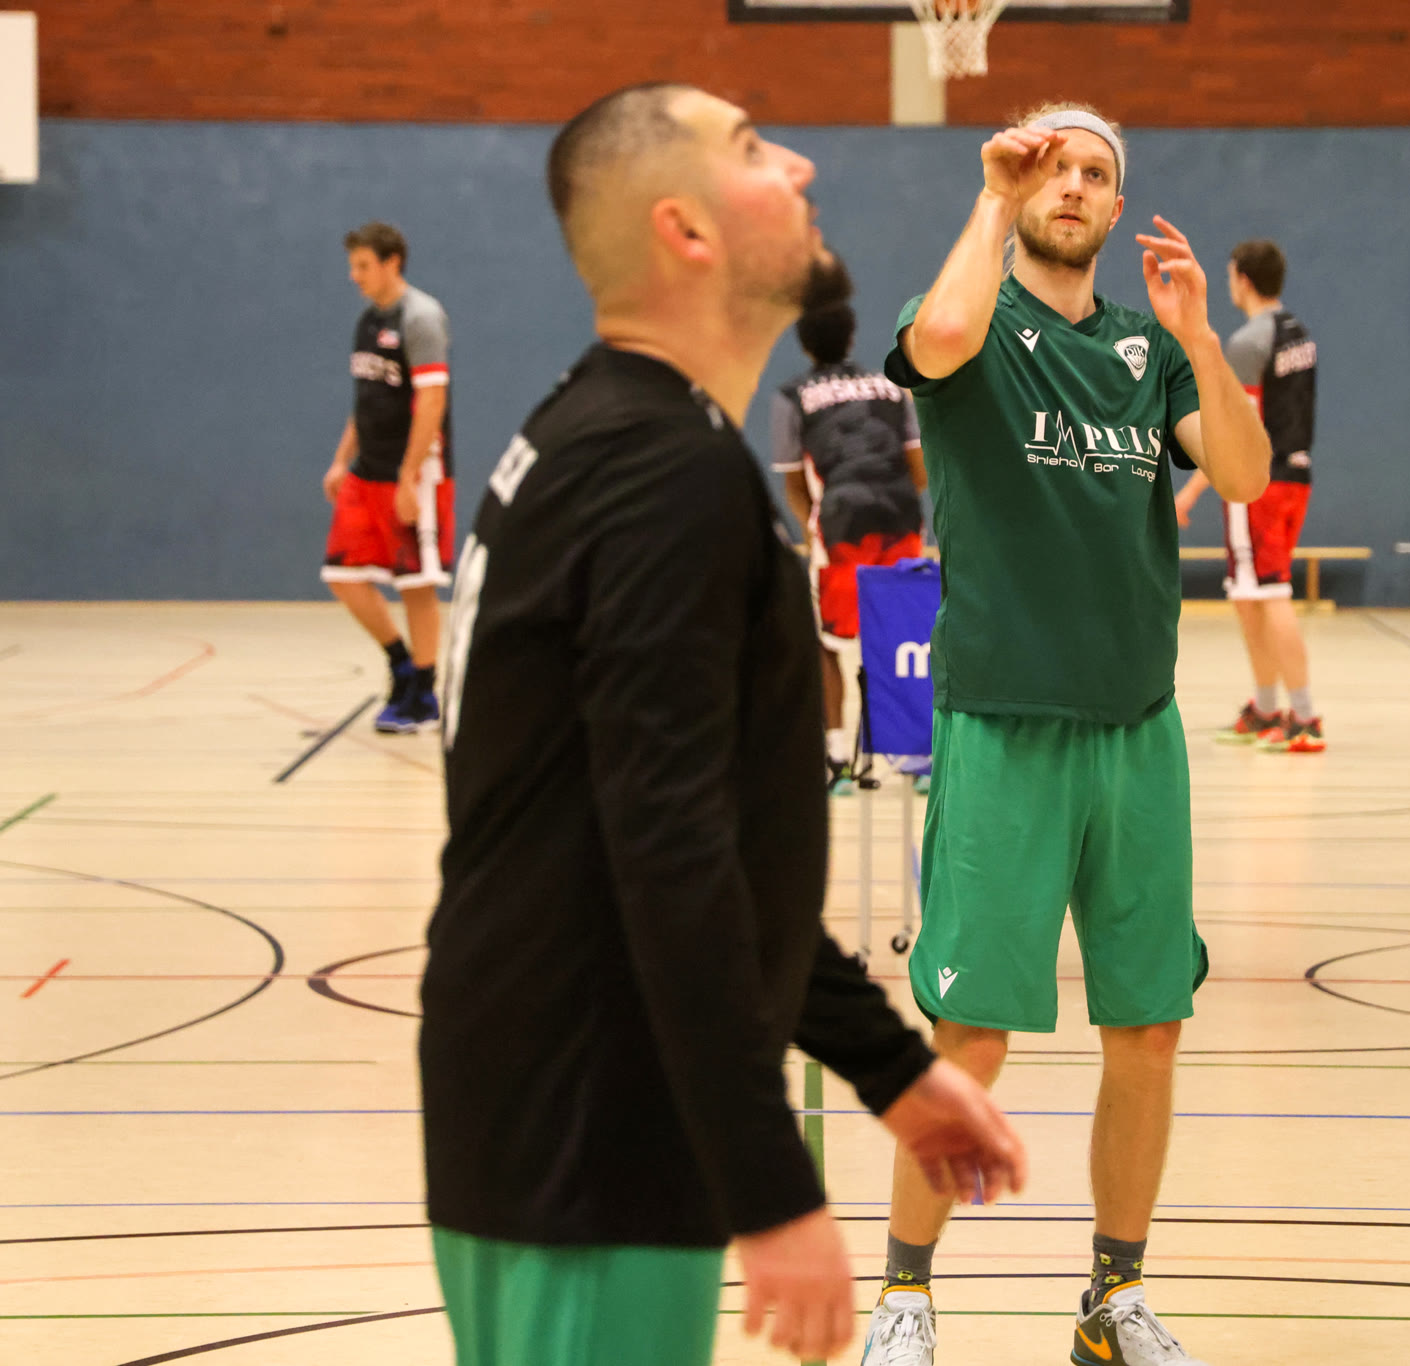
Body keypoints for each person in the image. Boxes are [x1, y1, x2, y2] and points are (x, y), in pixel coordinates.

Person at [420, 82, 1028, 1366]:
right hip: (596, 1136)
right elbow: (668, 855)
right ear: (685, 231)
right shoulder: (661, 473)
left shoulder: (614, 435)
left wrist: (887, 1067)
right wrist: (769, 1182)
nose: (798, 165)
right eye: (753, 149)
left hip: (550, 1110)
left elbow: (712, 852)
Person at [863, 103, 1271, 1366]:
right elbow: (934, 342)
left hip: (1136, 728)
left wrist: (1198, 337)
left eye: (1095, 172)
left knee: (1146, 1027)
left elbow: (1243, 475)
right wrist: (990, 194)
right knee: (971, 1036)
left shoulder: (1150, 352)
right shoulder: (975, 318)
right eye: (1053, 168)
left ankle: (1113, 1297)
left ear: (1115, 204)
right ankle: (905, 1296)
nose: (1074, 185)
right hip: (1002, 722)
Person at [770, 255, 928, 791]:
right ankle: (916, 758)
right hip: (902, 519)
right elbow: (919, 470)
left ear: (804, 345)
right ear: (853, 336)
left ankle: (836, 758)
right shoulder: (892, 388)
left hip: (840, 528)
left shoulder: (791, 397)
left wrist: (815, 531)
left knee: (829, 641)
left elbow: (796, 485)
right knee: (903, 636)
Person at [1174, 239, 1323, 753]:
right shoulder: (1298, 332)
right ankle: (1266, 708)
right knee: (1249, 594)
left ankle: (1304, 717)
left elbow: (1237, 430)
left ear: (1242, 279)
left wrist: (1190, 491)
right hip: (1295, 476)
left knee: (1270, 592)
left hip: (1259, 484)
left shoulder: (1246, 343)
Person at [322, 221, 455, 734]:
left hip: (414, 472)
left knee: (415, 585)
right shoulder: (367, 321)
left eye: (362, 266)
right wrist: (342, 460)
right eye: (352, 266)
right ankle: (400, 663)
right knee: (342, 574)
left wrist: (408, 477)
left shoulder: (420, 317)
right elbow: (367, 398)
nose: (354, 276)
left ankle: (423, 692)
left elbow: (432, 401)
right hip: (367, 470)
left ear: (391, 262)